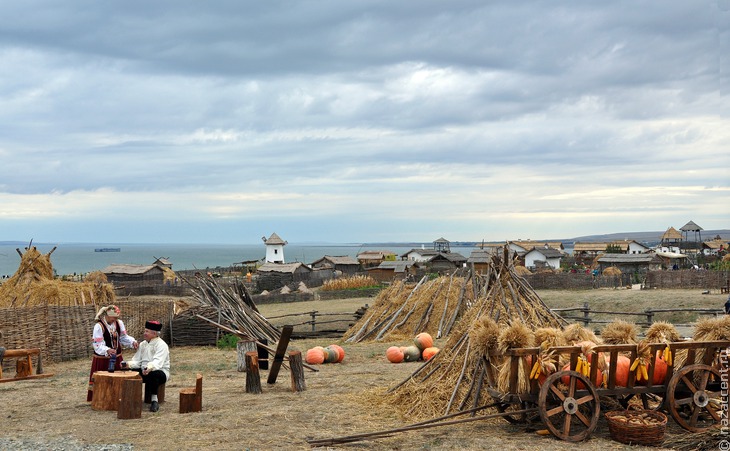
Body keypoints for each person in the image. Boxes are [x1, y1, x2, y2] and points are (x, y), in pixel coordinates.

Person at [87, 305, 138, 402]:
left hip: (117, 358)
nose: (115, 319)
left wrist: (132, 342)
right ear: (107, 315)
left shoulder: (119, 323)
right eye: (113, 317)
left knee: (118, 381)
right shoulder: (99, 326)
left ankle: (117, 399)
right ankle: (102, 400)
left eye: (116, 317)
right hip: (102, 360)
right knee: (103, 382)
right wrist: (107, 350)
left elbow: (123, 337)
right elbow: (97, 344)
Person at [122, 320, 170, 412]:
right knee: (127, 373)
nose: (145, 333)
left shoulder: (161, 345)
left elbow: (158, 362)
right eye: (145, 331)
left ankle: (154, 400)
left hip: (160, 371)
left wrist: (148, 368)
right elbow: (137, 361)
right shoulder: (143, 344)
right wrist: (128, 364)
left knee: (154, 374)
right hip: (144, 370)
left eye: (147, 331)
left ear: (154, 333)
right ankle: (130, 399)